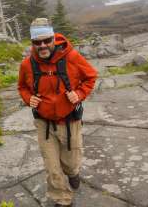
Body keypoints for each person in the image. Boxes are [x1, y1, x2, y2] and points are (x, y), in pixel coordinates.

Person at [18, 18, 97, 206]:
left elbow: (91, 76)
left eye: (46, 40)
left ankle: (73, 172)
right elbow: (22, 86)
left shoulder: (72, 57)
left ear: (54, 38)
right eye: (37, 42)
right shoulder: (27, 65)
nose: (42, 45)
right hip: (43, 124)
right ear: (33, 43)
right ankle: (62, 199)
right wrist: (28, 98)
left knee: (70, 162)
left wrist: (79, 94)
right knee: (52, 167)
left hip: (70, 122)